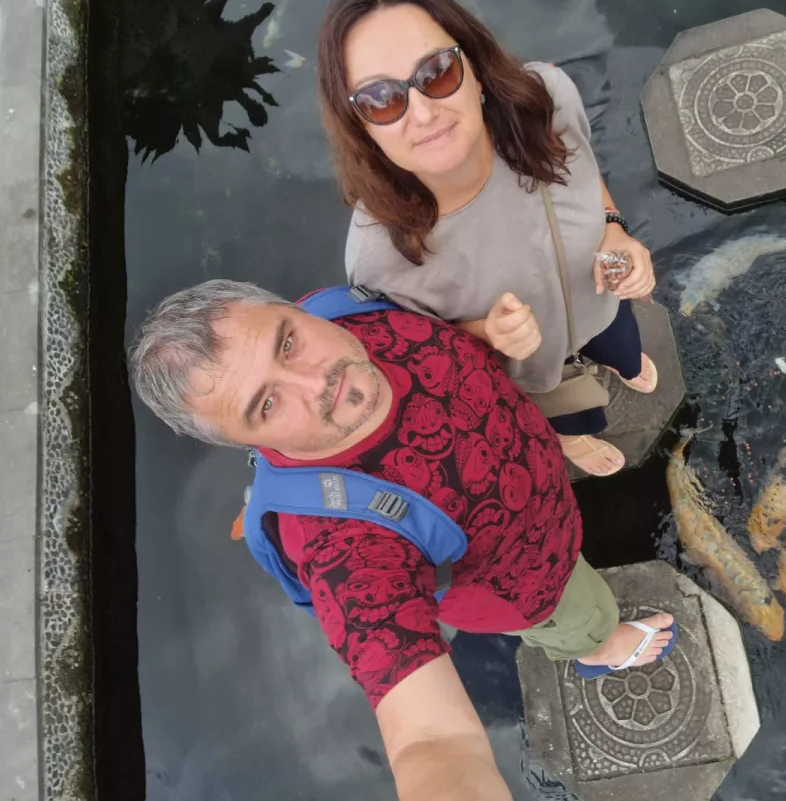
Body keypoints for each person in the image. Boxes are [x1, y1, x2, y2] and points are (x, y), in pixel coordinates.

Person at [130, 279, 676, 801]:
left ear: (292, 309)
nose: (317, 383)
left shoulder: (345, 308)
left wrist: (487, 332)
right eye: (267, 404)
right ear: (244, 442)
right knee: (585, 616)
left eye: (287, 343)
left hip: (542, 488)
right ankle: (597, 649)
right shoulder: (341, 547)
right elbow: (431, 740)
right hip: (534, 584)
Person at [317, 0, 659, 478]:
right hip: (533, 367)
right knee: (567, 411)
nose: (423, 113)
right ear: (360, 127)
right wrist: (487, 334)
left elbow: (586, 171)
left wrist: (614, 226)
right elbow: (423, 360)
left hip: (601, 300)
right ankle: (571, 437)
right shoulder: (378, 258)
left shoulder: (545, 100)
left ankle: (620, 364)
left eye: (437, 72)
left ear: (474, 67)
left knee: (625, 348)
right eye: (380, 100)